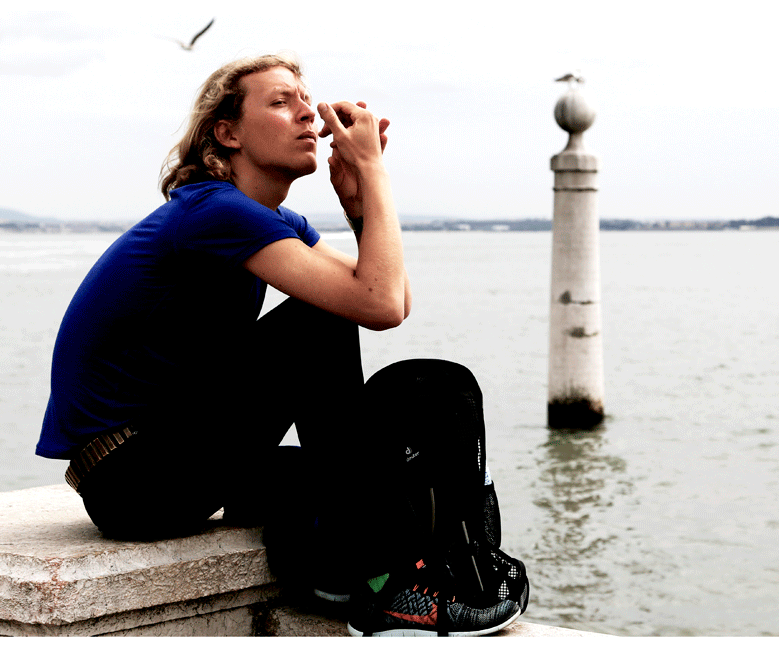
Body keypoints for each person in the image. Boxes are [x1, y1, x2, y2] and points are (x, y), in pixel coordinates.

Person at [35, 53, 522, 636]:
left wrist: (358, 206)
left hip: (179, 452)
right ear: (228, 133)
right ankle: (378, 585)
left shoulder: (271, 219)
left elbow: (391, 295)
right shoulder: (213, 211)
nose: (308, 113)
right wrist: (373, 172)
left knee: (403, 465)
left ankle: (351, 577)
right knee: (320, 322)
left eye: (306, 99)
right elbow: (377, 304)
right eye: (281, 101)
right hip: (131, 476)